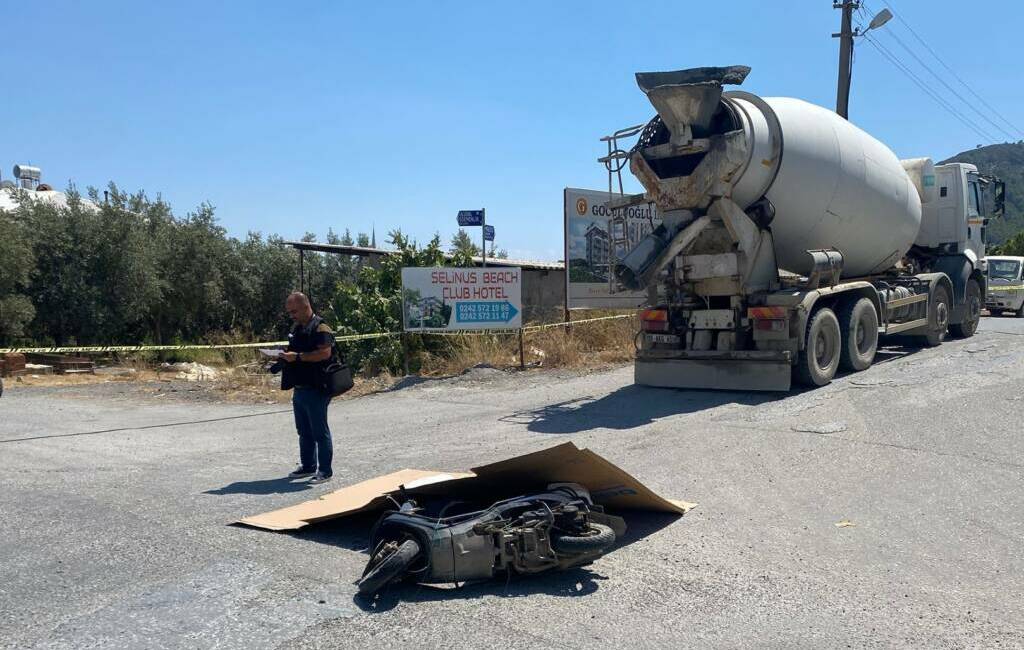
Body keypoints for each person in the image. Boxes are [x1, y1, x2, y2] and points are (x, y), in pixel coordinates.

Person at [279, 291, 335, 484]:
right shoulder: (297, 329)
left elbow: (324, 354)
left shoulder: (321, 328)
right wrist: (283, 356)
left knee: (320, 431)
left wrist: (298, 357)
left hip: (317, 387)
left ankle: (325, 471)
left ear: (306, 306)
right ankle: (308, 466)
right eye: (289, 312)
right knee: (304, 431)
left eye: (294, 311)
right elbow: (294, 352)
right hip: (300, 388)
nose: (292, 315)